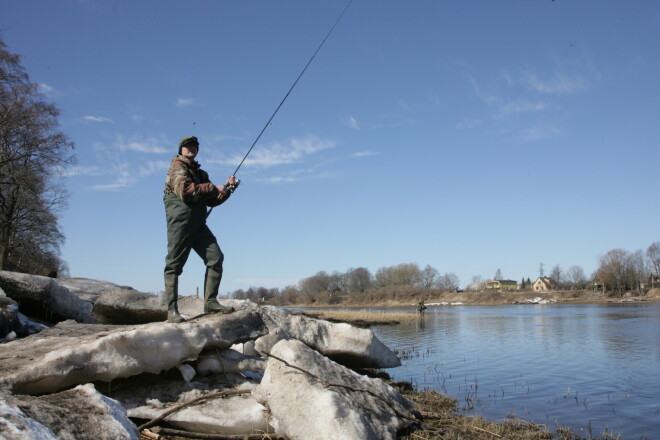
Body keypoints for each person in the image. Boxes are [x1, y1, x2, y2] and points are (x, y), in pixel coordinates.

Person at [163, 136, 239, 323]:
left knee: (215, 258)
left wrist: (228, 189)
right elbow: (186, 191)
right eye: (187, 146)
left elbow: (213, 200)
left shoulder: (201, 173)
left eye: (194, 146)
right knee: (174, 265)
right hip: (180, 224)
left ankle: (210, 302)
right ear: (181, 149)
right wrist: (214, 187)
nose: (191, 149)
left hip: (198, 225)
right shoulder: (177, 167)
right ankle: (172, 311)